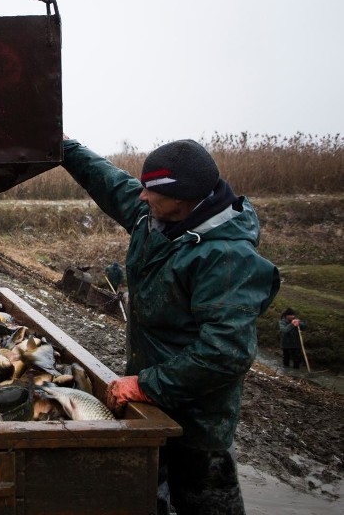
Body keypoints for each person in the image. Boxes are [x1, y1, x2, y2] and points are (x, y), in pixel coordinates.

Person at [60, 137, 280, 515]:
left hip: (198, 425)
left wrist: (146, 385)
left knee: (205, 501)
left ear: (182, 198)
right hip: (148, 408)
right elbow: (108, 180)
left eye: (151, 190)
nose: (141, 196)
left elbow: (225, 353)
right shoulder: (155, 216)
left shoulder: (226, 256)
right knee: (149, 499)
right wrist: (64, 145)